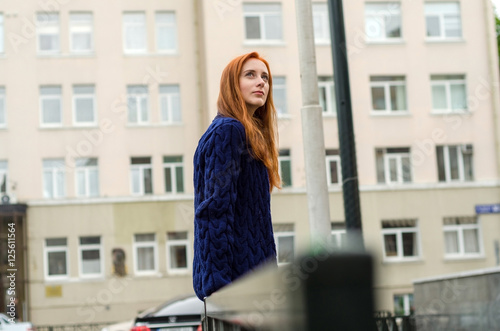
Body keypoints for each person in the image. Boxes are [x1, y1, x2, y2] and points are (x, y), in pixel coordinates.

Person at [193, 52, 281, 300]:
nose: (261, 82)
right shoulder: (228, 132)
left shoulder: (247, 135)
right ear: (232, 84)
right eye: (250, 75)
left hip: (254, 284)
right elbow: (214, 210)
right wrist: (219, 287)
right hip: (238, 287)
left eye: (265, 77)